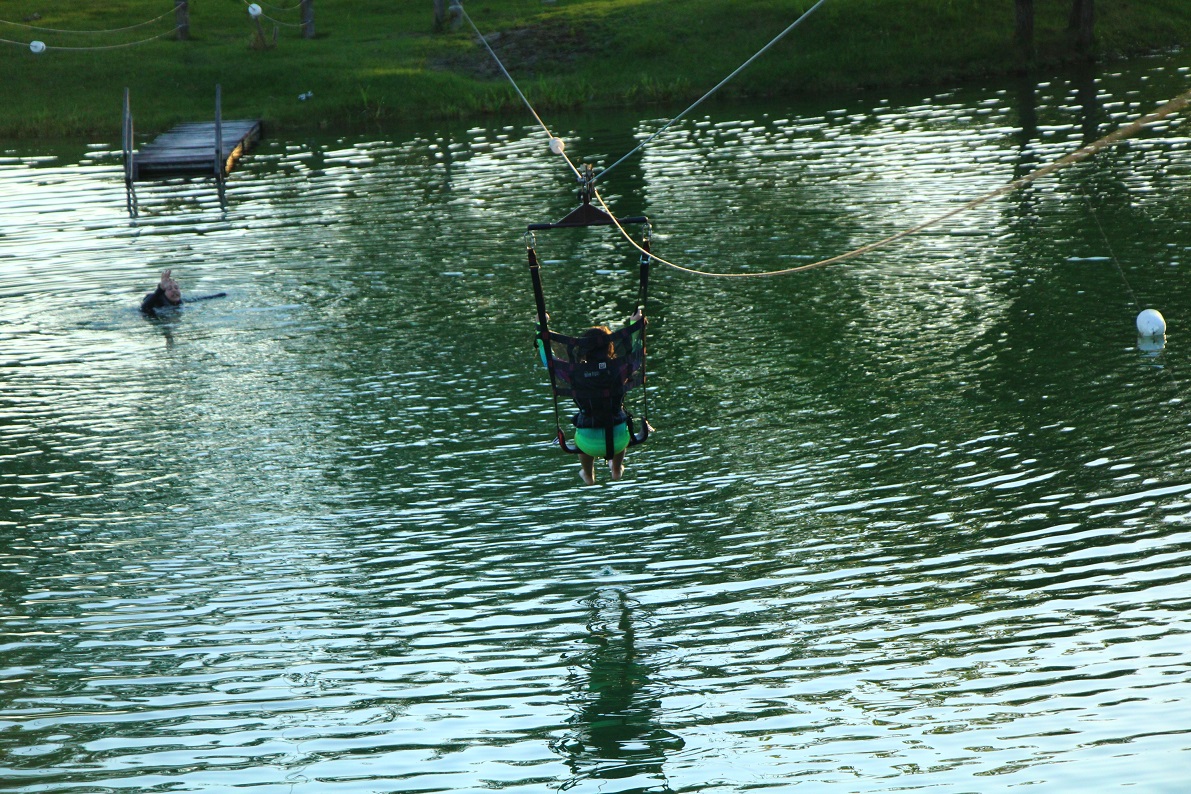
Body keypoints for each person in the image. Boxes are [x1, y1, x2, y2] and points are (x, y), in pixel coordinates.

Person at [570, 321, 635, 485]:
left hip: (587, 443)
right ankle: (616, 468)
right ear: (610, 346)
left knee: (583, 425)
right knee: (621, 417)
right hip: (619, 440)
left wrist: (540, 331)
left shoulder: (575, 372)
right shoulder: (619, 369)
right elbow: (636, 354)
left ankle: (588, 474)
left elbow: (549, 360)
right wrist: (635, 323)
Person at [140, 269, 226, 315]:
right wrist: (160, 289)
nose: (174, 290)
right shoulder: (156, 300)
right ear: (163, 293)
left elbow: (201, 299)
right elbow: (145, 307)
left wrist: (219, 295)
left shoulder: (181, 302)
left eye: (176, 288)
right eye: (169, 289)